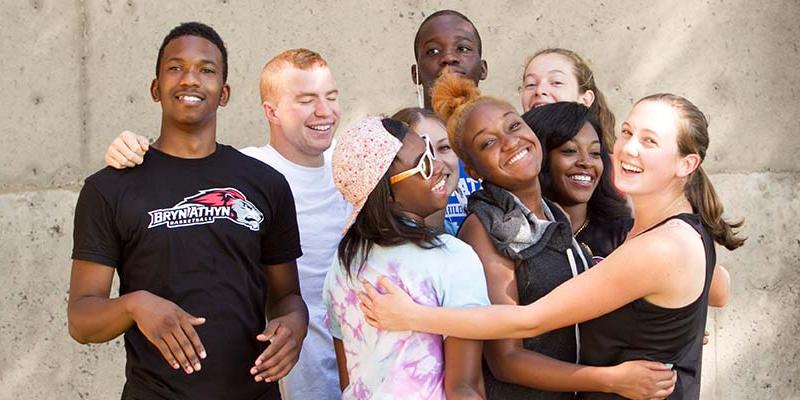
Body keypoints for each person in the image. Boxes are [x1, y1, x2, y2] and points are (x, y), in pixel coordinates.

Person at [360, 90, 743, 400]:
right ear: (472, 169)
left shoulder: (658, 243)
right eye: (626, 133)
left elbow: (536, 318)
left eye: (650, 141)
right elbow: (514, 348)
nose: (628, 149)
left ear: (686, 164)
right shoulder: (498, 226)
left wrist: (414, 315)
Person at [68, 22, 308, 400]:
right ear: (155, 87)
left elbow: (286, 295)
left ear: (224, 93)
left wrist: (294, 325)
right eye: (175, 67)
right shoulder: (109, 188)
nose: (190, 79)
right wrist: (135, 305)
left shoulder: (266, 184)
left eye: (207, 69)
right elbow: (81, 320)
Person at [102, 48, 350, 399]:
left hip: (358, 378)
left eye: (331, 97)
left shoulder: (357, 164)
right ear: (271, 111)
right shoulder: (249, 175)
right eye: (307, 100)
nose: (324, 111)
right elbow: (183, 167)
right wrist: (128, 149)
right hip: (285, 381)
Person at [323, 116, 488, 399]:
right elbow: (465, 388)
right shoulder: (452, 258)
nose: (439, 168)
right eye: (423, 165)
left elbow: (350, 381)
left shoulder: (342, 265)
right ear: (386, 195)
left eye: (430, 152)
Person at [522, 102, 631, 259]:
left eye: (595, 152)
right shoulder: (513, 233)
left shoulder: (623, 234)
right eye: (570, 151)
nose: (586, 162)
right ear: (539, 158)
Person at [412, 10, 486, 234]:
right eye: (433, 51)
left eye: (462, 49)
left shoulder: (505, 144)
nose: (448, 58)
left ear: (483, 69)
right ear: (416, 74)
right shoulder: (401, 147)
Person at [519, 48, 616, 149]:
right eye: (531, 84)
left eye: (557, 82)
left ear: (586, 100)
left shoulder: (605, 162)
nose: (539, 90)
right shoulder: (510, 156)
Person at [391, 107, 460, 232]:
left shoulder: (458, 233)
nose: (437, 164)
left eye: (444, 147)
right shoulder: (396, 242)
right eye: (423, 155)